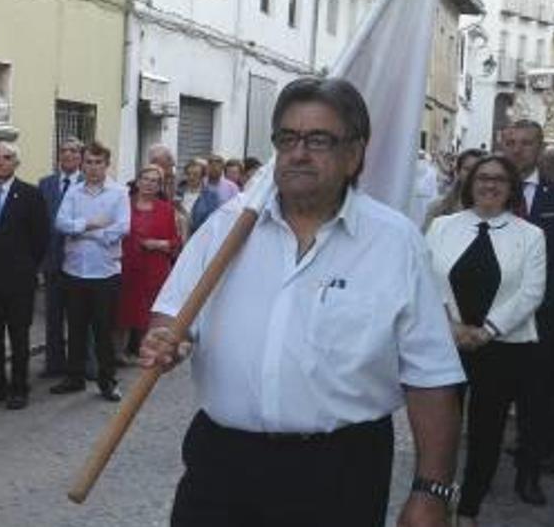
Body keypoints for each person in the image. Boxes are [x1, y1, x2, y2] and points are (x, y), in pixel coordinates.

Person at [140, 78, 465, 527]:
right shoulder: (227, 228)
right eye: (287, 139)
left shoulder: (395, 242)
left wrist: (432, 492)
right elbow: (173, 312)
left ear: (354, 154)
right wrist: (164, 337)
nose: (298, 153)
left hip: (339, 473)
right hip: (221, 466)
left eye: (318, 140)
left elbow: (432, 377)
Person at [426, 155, 545, 526]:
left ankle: (469, 509)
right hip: (447, 343)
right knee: (439, 433)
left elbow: (531, 292)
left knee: (486, 432)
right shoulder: (443, 226)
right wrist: (453, 328)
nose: (490, 185)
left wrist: (488, 330)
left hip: (504, 348)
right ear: (469, 183)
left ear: (511, 188)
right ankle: (434, 502)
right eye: (482, 178)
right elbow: (424, 280)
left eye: (499, 180)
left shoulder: (530, 235)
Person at [498, 120, 554, 495]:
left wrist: (536, 306)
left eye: (525, 143)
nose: (517, 150)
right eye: (510, 142)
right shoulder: (485, 193)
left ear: (540, 148)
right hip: (490, 322)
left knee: (535, 404)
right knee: (489, 404)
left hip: (538, 322)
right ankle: (477, 477)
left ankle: (528, 476)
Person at [49, 142, 130, 402]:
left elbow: (121, 229)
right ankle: (75, 377)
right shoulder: (73, 192)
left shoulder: (119, 193)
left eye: (98, 163)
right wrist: (92, 225)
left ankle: (108, 382)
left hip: (105, 273)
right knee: (75, 327)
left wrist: (82, 232)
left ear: (107, 165)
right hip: (74, 271)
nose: (93, 168)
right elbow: (61, 223)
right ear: (82, 165)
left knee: (103, 330)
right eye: (89, 163)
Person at [0, 141, 48, 410]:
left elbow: (41, 239)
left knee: (19, 336)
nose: (1, 162)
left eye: (7, 157)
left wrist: (27, 267)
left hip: (19, 280)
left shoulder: (30, 195)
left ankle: (19, 388)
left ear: (16, 163)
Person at [117, 165, 180, 363]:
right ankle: (118, 351)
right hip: (126, 264)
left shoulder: (166, 210)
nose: (149, 184)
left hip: (154, 268)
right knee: (123, 309)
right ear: (137, 181)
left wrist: (159, 244)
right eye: (146, 179)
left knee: (148, 311)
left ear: (159, 186)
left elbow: (175, 242)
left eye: (154, 181)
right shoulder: (123, 204)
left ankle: (145, 350)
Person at [38, 138, 85, 378]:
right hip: (52, 261)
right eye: (64, 151)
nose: (67, 154)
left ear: (81, 157)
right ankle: (54, 364)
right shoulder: (45, 184)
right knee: (53, 316)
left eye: (73, 151)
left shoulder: (89, 184)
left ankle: (81, 365)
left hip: (81, 261)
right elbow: (38, 223)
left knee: (78, 317)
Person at [423, 148, 485, 232]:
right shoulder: (438, 207)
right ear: (458, 171)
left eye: (478, 170)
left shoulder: (496, 211)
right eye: (467, 169)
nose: (472, 174)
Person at [177, 159, 220, 235]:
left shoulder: (210, 196)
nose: (191, 177)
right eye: (188, 174)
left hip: (199, 237)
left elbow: (212, 221)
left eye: (195, 174)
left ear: (202, 176)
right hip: (179, 238)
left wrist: (187, 218)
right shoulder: (178, 192)